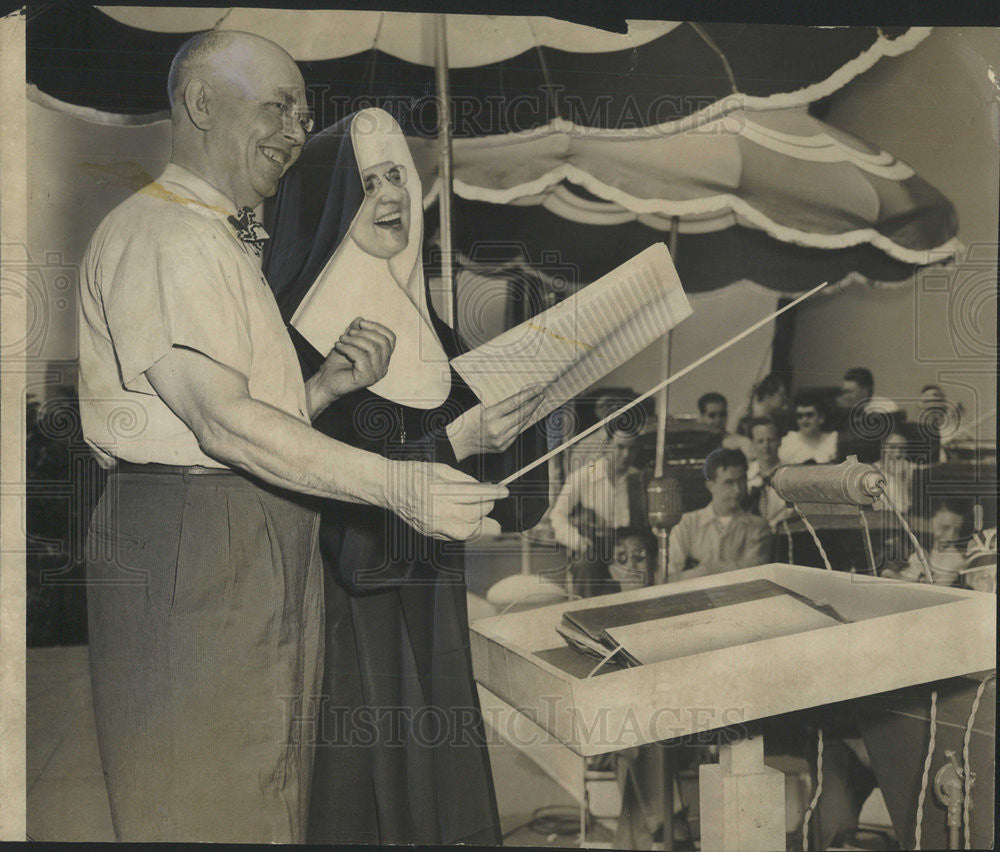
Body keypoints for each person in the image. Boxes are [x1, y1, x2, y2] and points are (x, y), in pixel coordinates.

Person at [77, 34, 504, 844]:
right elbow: (219, 424)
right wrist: (395, 483)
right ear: (202, 105)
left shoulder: (217, 236)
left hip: (243, 528)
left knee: (263, 789)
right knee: (207, 798)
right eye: (277, 106)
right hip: (198, 538)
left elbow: (223, 415)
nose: (296, 131)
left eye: (304, 113)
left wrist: (321, 390)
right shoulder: (167, 234)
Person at [262, 107, 549, 845]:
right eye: (366, 182)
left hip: (432, 600)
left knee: (439, 792)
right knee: (366, 794)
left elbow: (507, 501)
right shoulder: (291, 335)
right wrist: (455, 438)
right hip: (349, 617)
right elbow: (315, 495)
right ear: (331, 202)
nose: (389, 195)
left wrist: (521, 423)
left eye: (396, 175)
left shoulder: (439, 333)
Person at [549, 423, 650, 596]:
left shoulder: (638, 479)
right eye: (620, 447)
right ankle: (585, 614)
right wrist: (577, 541)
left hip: (628, 545)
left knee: (646, 562)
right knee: (585, 563)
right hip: (594, 545)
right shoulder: (584, 475)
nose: (626, 455)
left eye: (631, 449)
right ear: (608, 445)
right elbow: (557, 515)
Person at [667, 448, 771, 579]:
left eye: (741, 480)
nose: (737, 489)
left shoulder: (759, 528)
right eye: (729, 482)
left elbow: (755, 575)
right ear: (711, 486)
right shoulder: (686, 524)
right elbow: (670, 577)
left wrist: (704, 570)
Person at [835, 367, 896, 462]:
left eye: (850, 392)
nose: (846, 397)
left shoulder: (885, 407)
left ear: (865, 391)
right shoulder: (845, 412)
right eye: (844, 392)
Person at [744, 417, 794, 528]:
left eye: (770, 440)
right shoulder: (745, 476)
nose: (766, 446)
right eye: (760, 441)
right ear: (752, 444)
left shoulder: (791, 474)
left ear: (779, 441)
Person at [778, 391, 838, 464]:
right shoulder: (789, 441)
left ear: (821, 418)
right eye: (800, 416)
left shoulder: (833, 441)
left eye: (809, 415)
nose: (804, 420)